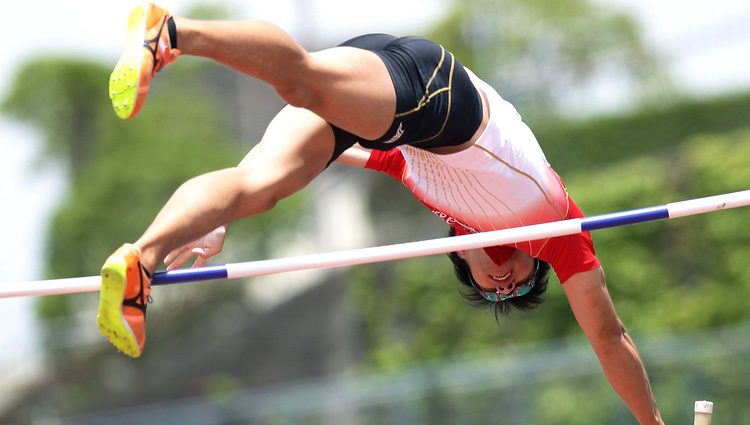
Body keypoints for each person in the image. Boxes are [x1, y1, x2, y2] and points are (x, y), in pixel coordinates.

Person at [98, 4, 663, 424]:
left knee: (260, 187)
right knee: (303, 83)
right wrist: (653, 423)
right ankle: (170, 32)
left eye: (494, 295)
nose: (503, 284)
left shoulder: (424, 186)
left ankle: (139, 264)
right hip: (434, 91)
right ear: (536, 258)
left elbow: (322, 153)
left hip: (389, 118)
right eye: (517, 283)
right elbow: (609, 336)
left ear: (459, 261)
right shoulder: (558, 229)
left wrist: (218, 218)